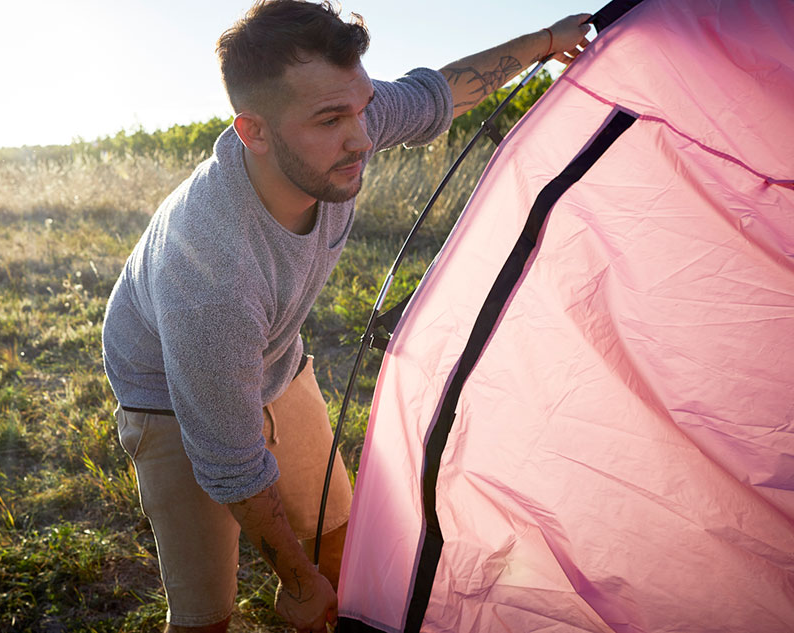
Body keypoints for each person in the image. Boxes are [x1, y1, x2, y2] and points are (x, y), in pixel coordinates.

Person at [101, 2, 591, 631]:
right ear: (252, 132)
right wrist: (297, 584)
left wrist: (546, 40)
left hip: (275, 361)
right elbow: (230, 459)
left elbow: (436, 92)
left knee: (341, 544)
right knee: (205, 618)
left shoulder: (341, 123)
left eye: (360, 108)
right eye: (331, 119)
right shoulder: (212, 273)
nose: (361, 137)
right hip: (169, 397)